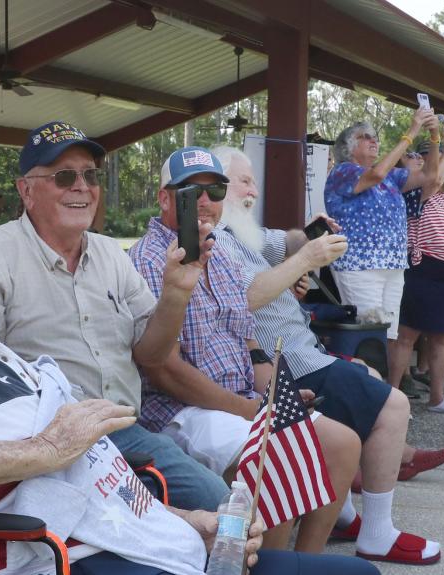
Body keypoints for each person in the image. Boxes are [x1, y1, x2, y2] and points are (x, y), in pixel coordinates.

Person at [0, 187, 379, 575]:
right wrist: (48, 446)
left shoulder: (6, 360)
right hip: (68, 557)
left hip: (128, 531)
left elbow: (92, 483)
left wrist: (186, 520)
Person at [0, 122, 230, 513]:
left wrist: (177, 292)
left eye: (90, 175)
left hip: (126, 433)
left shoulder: (111, 254)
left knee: (222, 505)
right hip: (46, 447)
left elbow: (152, 354)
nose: (82, 186)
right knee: (170, 524)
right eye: (64, 176)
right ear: (26, 191)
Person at [216, 146, 444, 565]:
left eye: (252, 180)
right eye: (243, 180)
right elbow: (244, 298)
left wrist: (311, 232)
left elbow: (283, 242)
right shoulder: (217, 240)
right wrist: (303, 261)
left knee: (370, 377)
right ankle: (376, 533)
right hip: (285, 366)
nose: (253, 188)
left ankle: (342, 512)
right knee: (393, 405)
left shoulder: (242, 232)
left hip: (301, 354)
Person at [129, 147, 360, 553]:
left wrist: (278, 395)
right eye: (189, 191)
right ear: (164, 198)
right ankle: (265, 563)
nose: (205, 201)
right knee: (281, 455)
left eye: (215, 190)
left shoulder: (221, 252)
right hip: (182, 410)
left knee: (344, 444)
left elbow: (248, 341)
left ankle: (303, 561)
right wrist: (251, 410)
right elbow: (164, 372)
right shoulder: (148, 260)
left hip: (242, 399)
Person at [324, 111, 440, 387]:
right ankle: (364, 393)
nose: (373, 141)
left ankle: (389, 396)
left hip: (392, 265)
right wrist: (410, 132)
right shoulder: (343, 172)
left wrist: (434, 137)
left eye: (375, 137)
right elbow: (375, 174)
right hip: (359, 266)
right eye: (365, 138)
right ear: (347, 147)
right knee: (367, 336)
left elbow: (429, 175)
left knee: (389, 336)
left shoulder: (391, 177)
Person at [392, 143, 444, 415]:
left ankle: (437, 397)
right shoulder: (416, 188)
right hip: (424, 268)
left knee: (442, 338)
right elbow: (434, 178)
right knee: (407, 336)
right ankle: (393, 400)